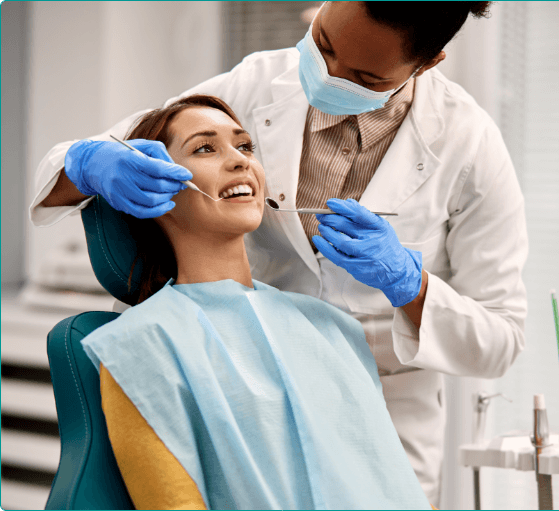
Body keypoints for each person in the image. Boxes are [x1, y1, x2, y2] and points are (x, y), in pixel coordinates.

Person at [30, 2, 528, 505]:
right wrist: (88, 163)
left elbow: (501, 337)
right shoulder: (151, 346)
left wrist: (410, 286)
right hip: (233, 379)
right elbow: (99, 155)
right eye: (324, 45)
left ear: (428, 63)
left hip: (377, 397)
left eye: (362, 76)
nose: (328, 75)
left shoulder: (469, 143)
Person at [81, 93, 434, 510]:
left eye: (245, 146)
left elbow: (390, 481)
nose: (239, 160)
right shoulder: (141, 345)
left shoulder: (333, 328)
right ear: (151, 190)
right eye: (205, 148)